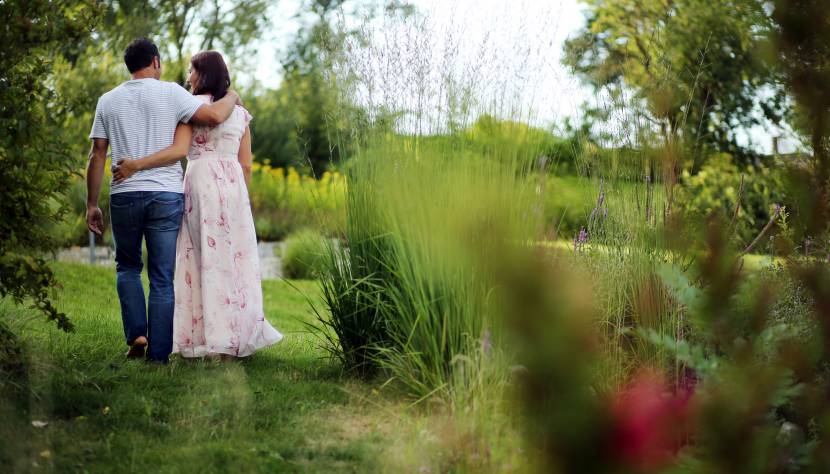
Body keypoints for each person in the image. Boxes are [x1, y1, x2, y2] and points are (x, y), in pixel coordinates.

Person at [112, 51, 283, 359]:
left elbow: (179, 148)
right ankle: (233, 336)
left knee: (196, 258)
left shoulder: (189, 109)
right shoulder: (241, 113)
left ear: (202, 74)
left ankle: (200, 337)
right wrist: (238, 198)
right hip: (233, 189)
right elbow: (247, 166)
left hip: (199, 184)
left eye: (191, 71)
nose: (187, 76)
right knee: (233, 260)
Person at [86, 38, 243, 363]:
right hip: (166, 194)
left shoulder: (108, 100)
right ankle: (159, 355)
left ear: (130, 66)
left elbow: (97, 153)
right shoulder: (173, 93)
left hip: (124, 194)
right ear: (155, 62)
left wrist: (92, 203)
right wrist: (233, 95)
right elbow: (214, 117)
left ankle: (137, 335)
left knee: (127, 267)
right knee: (162, 275)